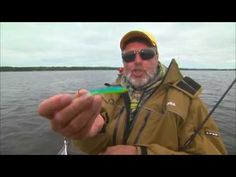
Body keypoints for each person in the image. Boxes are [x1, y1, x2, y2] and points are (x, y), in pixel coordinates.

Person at [38, 30, 227, 155]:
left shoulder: (188, 100)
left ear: (157, 57)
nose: (137, 60)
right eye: (129, 56)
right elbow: (93, 147)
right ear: (123, 62)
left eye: (145, 54)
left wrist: (141, 153)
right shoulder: (109, 93)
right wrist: (90, 133)